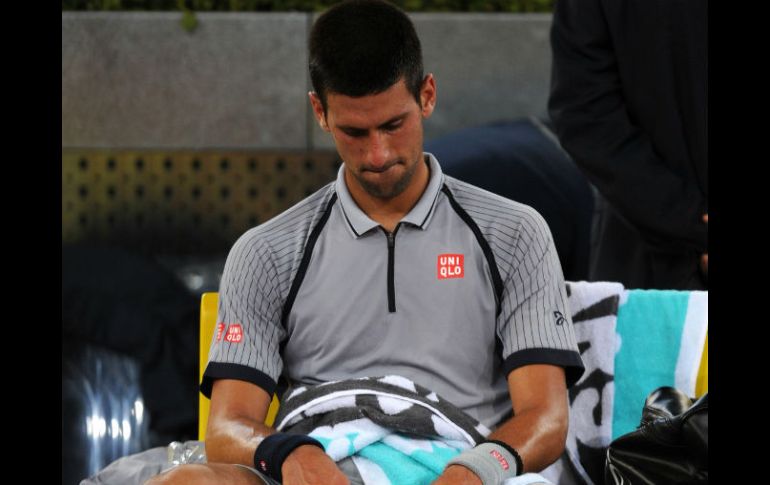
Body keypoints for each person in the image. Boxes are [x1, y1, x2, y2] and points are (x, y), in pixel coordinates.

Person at [147, 1, 583, 484]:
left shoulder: (515, 232)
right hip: (314, 465)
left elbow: (546, 418)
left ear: (427, 95)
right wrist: (291, 454)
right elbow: (226, 427)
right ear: (320, 112)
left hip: (463, 468)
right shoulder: (264, 252)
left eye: (393, 125)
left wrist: (474, 472)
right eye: (355, 132)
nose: (378, 154)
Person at [548, 0, 708, 290]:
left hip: (648, 266)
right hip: (652, 266)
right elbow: (585, 115)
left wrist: (690, 219)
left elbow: (585, 117)